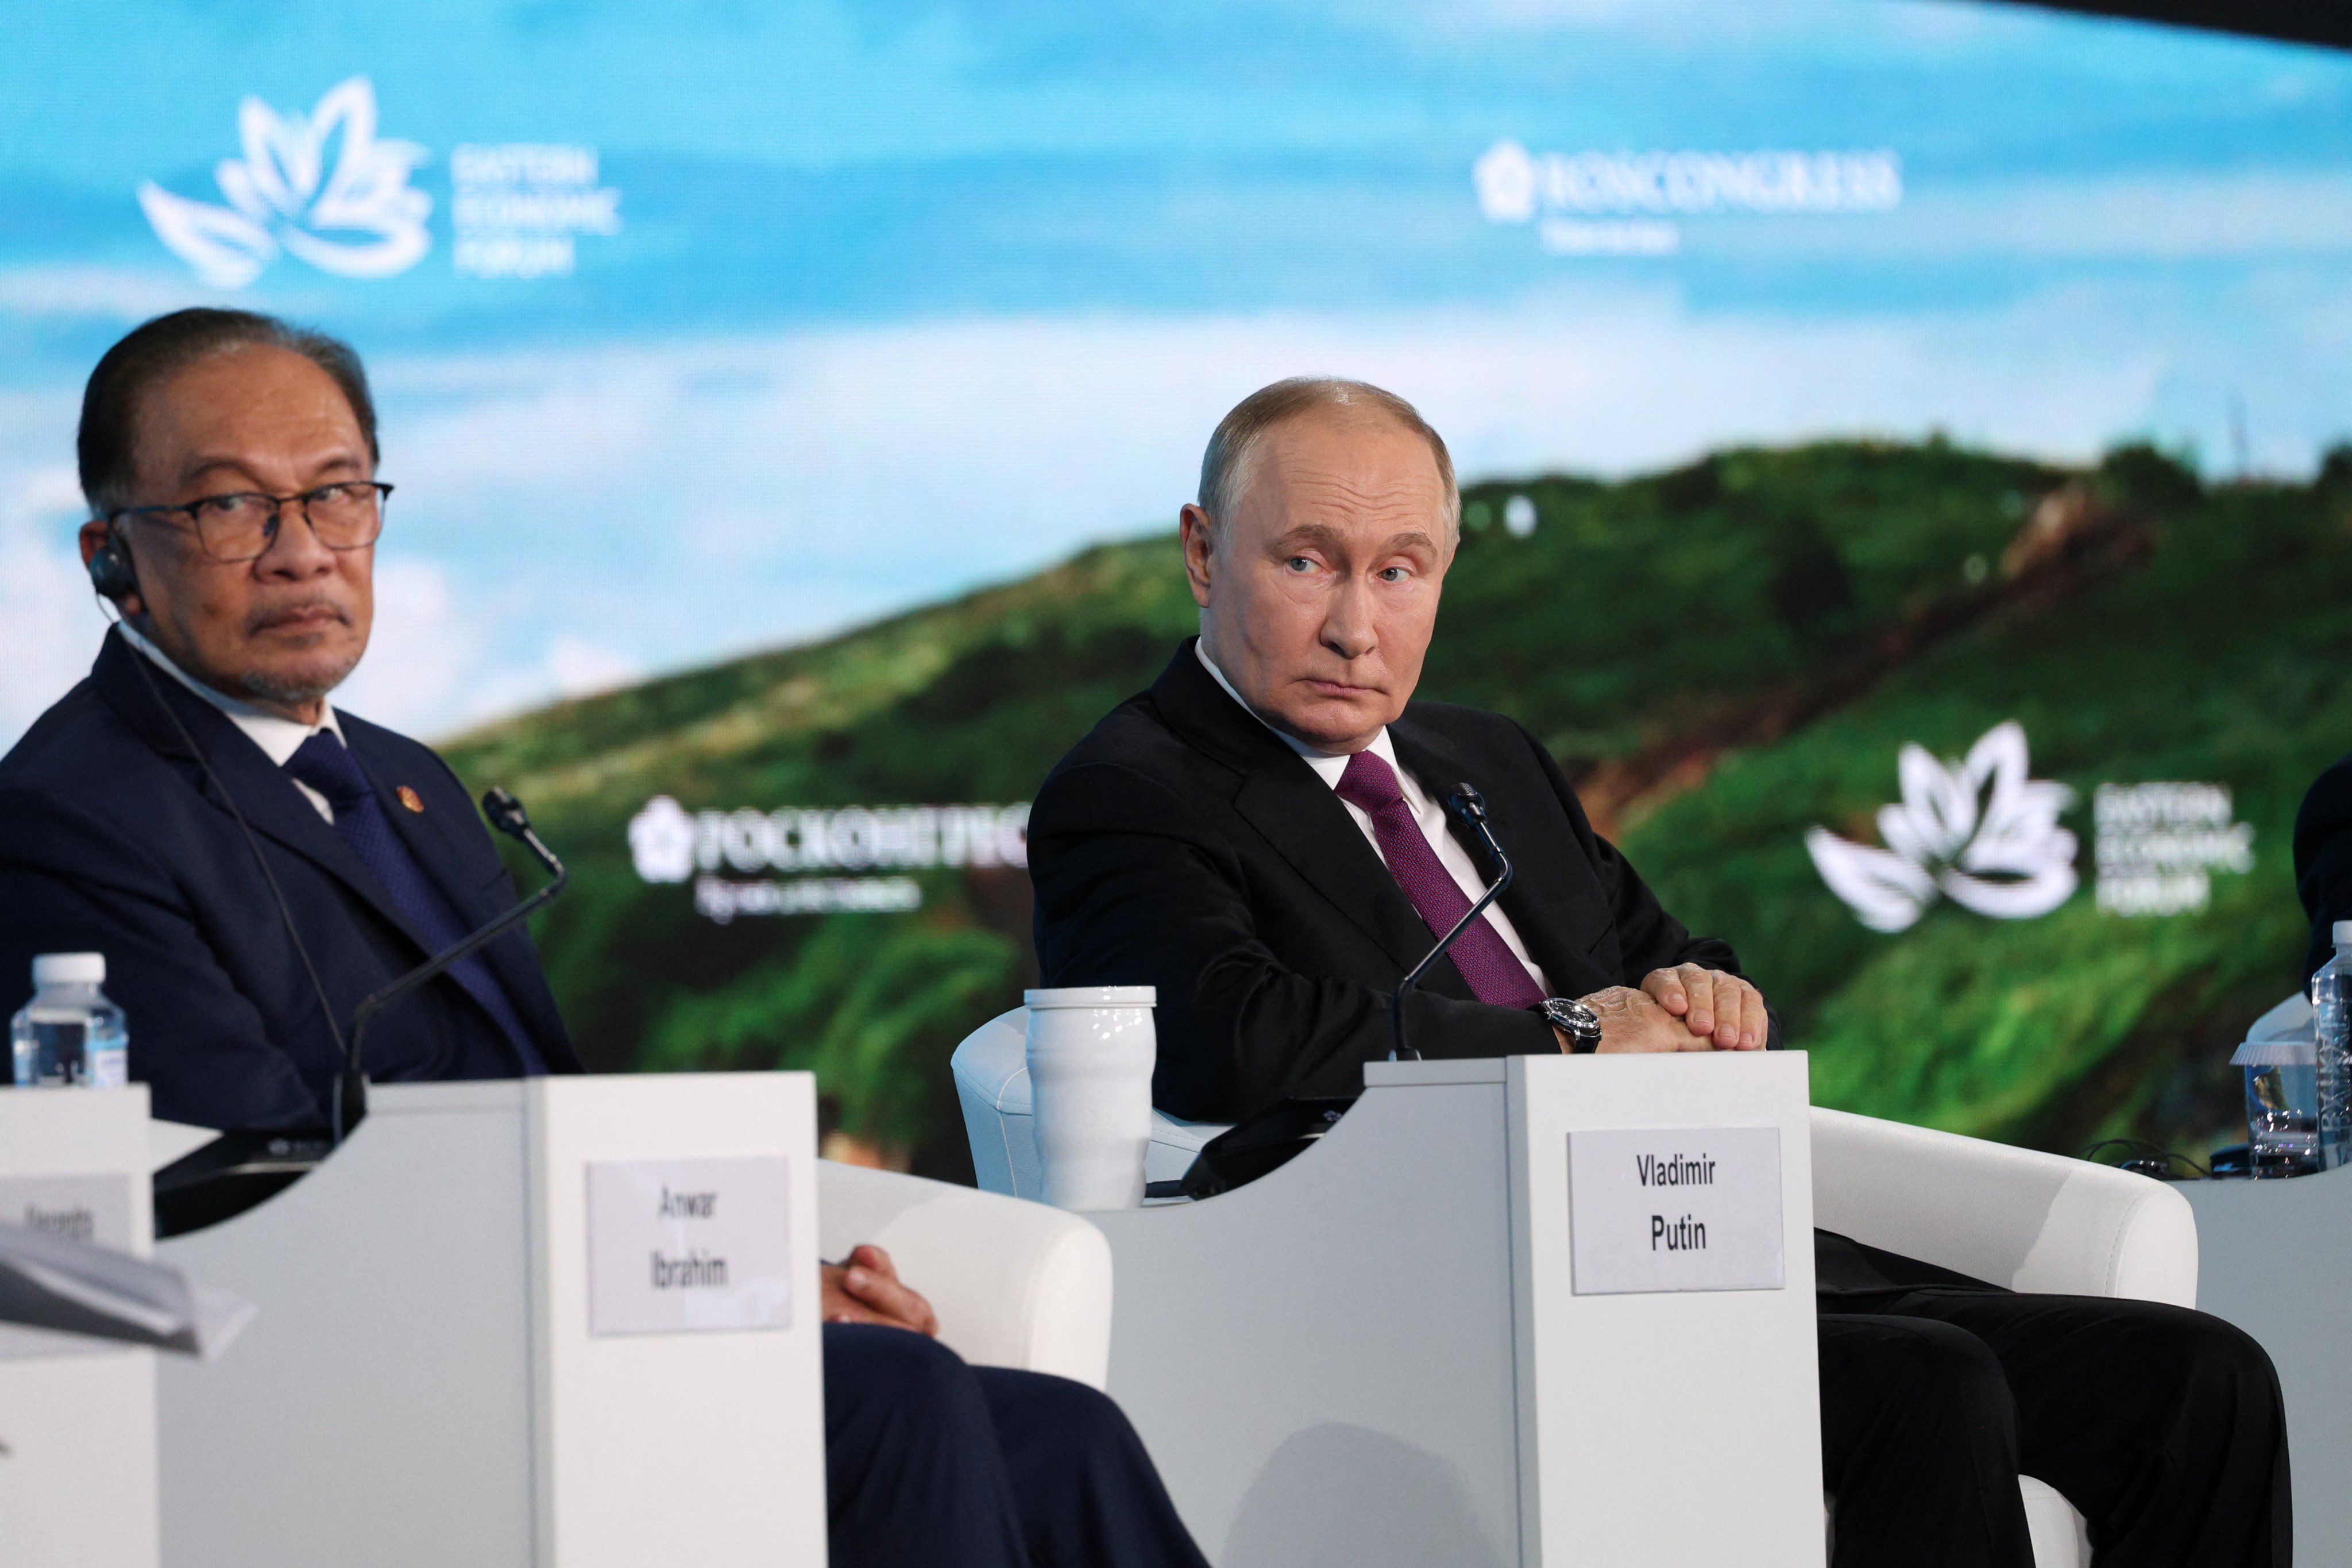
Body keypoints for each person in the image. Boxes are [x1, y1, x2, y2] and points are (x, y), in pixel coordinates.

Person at [0, 308, 1206, 1568]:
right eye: (231, 507)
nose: (302, 552)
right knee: (888, 1407)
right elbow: (253, 1204)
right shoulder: (76, 816)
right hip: (361, 1373)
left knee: (1060, 1437)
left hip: (529, 1323)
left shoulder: (405, 783)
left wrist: (757, 1275)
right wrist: (704, 1306)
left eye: (338, 496)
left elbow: (545, 1127)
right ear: (110, 556)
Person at [1027, 376, 2290, 1568]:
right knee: (1930, 1383)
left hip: (1698, 1241)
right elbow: (1225, 1037)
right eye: (1304, 562)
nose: (1355, 625)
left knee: (2200, 1381)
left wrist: (1708, 1000)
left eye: (1397, 572)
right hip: (1449, 1297)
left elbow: (1666, 958)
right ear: (1202, 551)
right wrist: (1571, 1035)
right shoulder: (1129, 790)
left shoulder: (1485, 762)